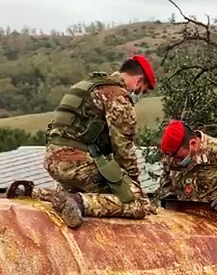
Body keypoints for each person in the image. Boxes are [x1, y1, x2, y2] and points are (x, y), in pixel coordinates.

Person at [21, 55, 158, 228]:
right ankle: (76, 202)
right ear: (139, 81)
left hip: (53, 160)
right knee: (137, 203)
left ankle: (32, 192)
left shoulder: (87, 86)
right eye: (142, 91)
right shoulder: (117, 96)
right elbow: (123, 148)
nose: (139, 95)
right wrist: (134, 184)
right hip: (77, 163)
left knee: (95, 188)